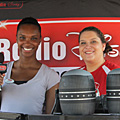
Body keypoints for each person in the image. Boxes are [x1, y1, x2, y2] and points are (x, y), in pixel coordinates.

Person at [0, 17, 60, 115]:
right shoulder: (3, 70)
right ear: (16, 39)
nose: (27, 43)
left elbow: (50, 116)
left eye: (33, 38)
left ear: (40, 40)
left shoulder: (50, 76)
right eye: (22, 37)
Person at [79, 26, 120, 97]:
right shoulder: (75, 75)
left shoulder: (115, 73)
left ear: (103, 46)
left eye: (93, 42)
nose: (87, 46)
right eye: (83, 43)